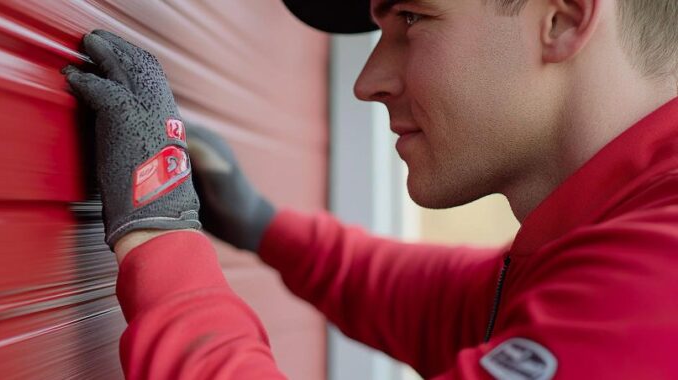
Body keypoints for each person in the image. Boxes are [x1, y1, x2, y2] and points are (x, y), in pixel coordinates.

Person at [62, 0, 678, 378]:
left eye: (413, 18)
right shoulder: (616, 234)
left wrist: (157, 227)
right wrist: (260, 223)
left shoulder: (661, 278)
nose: (369, 81)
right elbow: (443, 306)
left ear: (563, 17)